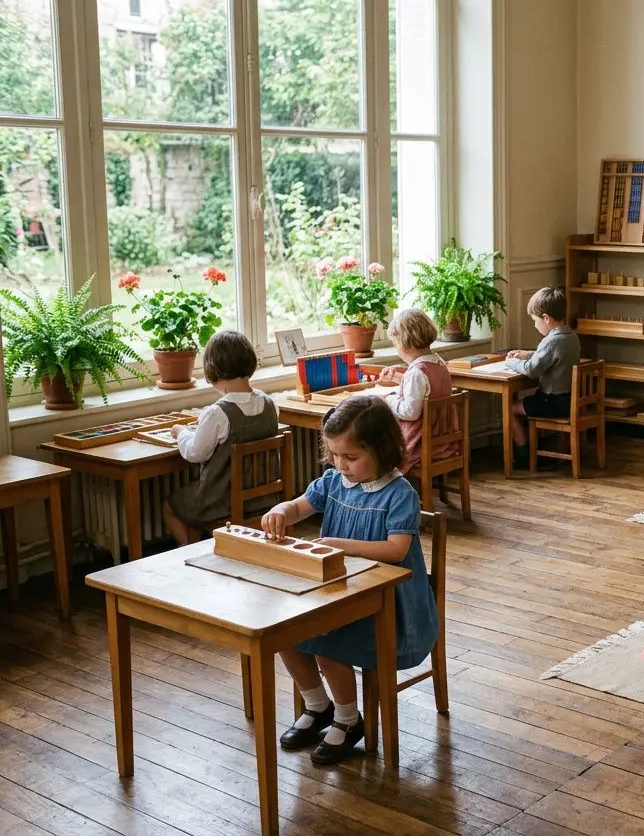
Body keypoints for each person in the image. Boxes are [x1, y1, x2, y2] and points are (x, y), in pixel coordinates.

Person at [261, 396, 438, 765]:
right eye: (335, 455)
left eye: (351, 457)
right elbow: (299, 506)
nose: (342, 465)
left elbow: (395, 550)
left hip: (390, 607)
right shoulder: (333, 482)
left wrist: (338, 545)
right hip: (337, 595)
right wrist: (282, 509)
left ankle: (348, 719)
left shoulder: (400, 493)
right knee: (282, 634)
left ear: (381, 449)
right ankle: (318, 705)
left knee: (329, 643)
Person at [164, 330, 279, 545]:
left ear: (214, 370)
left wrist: (182, 432)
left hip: (220, 502)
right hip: (264, 499)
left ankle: (187, 550)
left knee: (172, 506)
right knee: (188, 502)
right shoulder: (270, 404)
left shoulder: (217, 413)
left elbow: (194, 453)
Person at [503, 286, 581, 469]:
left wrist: (510, 363)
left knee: (509, 408)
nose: (535, 325)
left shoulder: (551, 341)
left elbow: (531, 370)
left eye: (535, 320)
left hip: (553, 402)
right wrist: (526, 353)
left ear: (546, 318)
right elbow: (550, 356)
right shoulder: (571, 336)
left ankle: (523, 456)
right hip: (569, 399)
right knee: (522, 403)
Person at [379, 308, 456, 474]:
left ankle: (385, 492)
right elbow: (426, 390)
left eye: (395, 344)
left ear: (407, 343)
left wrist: (388, 400)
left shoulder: (416, 373)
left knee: (377, 449)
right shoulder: (438, 362)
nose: (396, 350)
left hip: (420, 444)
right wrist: (399, 378)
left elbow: (410, 412)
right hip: (441, 440)